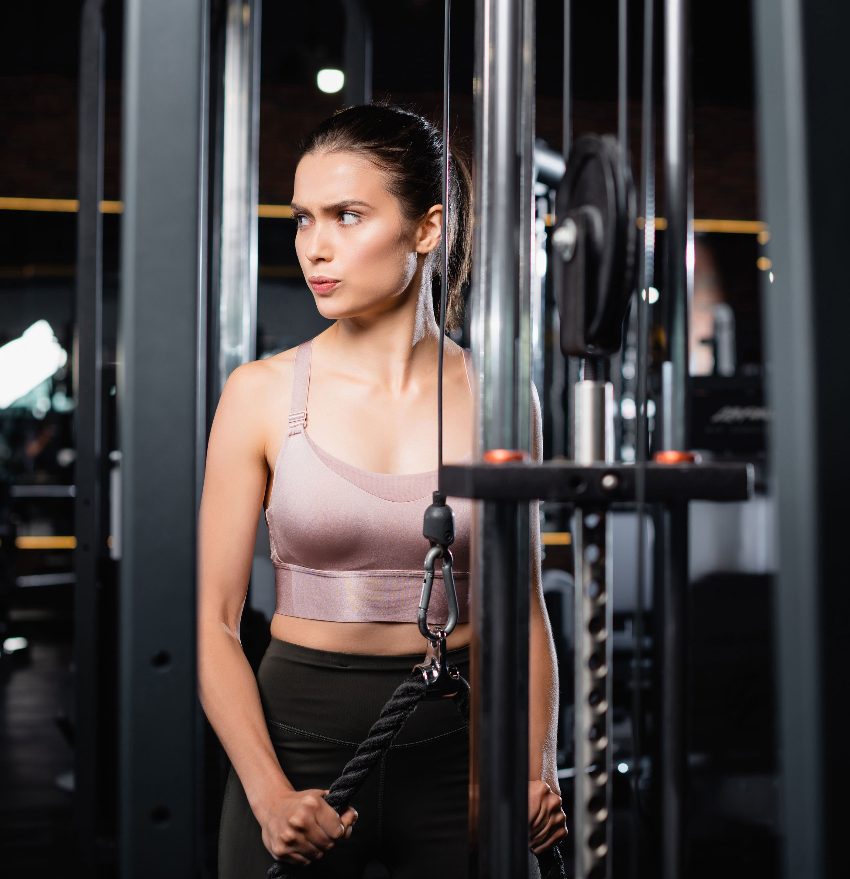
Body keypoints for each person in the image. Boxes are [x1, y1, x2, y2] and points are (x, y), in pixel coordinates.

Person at [199, 104, 566, 878]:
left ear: (427, 228)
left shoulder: (500, 395)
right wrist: (268, 797)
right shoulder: (260, 393)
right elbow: (218, 625)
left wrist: (537, 770)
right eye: (302, 219)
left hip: (459, 747)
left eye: (347, 215)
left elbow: (520, 609)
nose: (315, 247)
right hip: (297, 743)